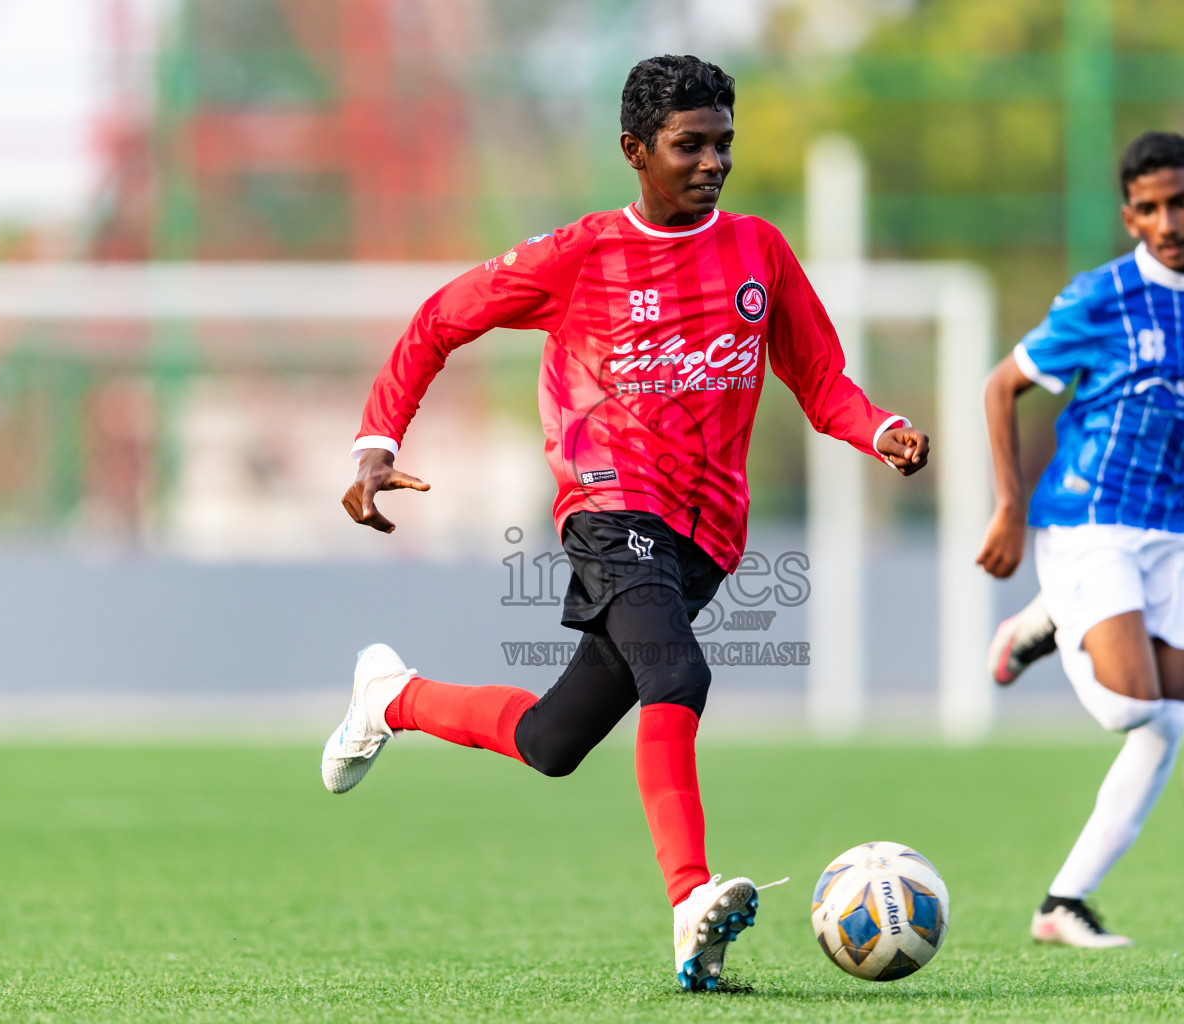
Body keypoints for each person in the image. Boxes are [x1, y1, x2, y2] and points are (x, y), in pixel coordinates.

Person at [319, 55, 929, 991]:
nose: (714, 160)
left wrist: (877, 427)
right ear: (634, 151)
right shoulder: (583, 255)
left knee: (553, 742)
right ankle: (690, 903)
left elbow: (819, 381)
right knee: (677, 671)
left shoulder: (759, 250)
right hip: (609, 505)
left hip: (707, 538)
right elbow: (440, 319)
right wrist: (374, 442)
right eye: (691, 145)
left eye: (724, 142)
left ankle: (390, 698)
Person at [975, 131, 1184, 947]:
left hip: (1180, 529)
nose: (1166, 219)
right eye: (1147, 208)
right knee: (1127, 707)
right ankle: (1044, 621)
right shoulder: (1098, 297)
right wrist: (1009, 507)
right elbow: (1001, 387)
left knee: (1167, 725)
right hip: (1089, 517)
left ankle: (1063, 903)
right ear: (1129, 217)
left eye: (1179, 201)